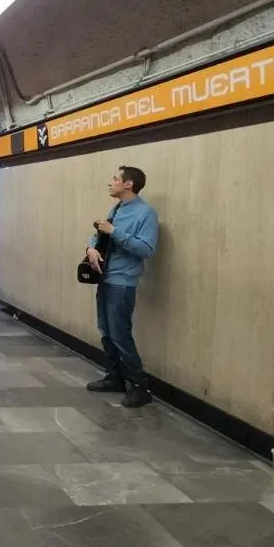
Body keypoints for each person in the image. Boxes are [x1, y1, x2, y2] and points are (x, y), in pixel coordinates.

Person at [84, 165, 159, 409]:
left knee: (119, 334)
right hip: (105, 278)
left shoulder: (145, 214)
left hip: (122, 282)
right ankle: (114, 377)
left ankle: (140, 386)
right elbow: (100, 235)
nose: (110, 182)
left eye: (115, 178)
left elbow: (146, 249)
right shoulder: (116, 208)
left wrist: (115, 232)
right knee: (105, 330)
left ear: (129, 184)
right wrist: (91, 249)